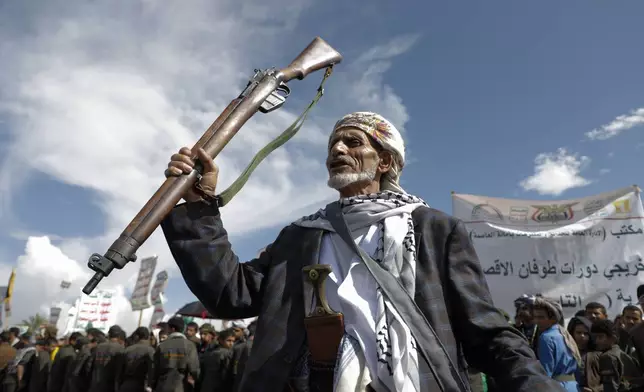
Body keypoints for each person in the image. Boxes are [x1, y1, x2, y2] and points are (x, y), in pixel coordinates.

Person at [161, 111, 562, 391]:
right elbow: (233, 293)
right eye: (334, 142)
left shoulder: (434, 229)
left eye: (353, 142)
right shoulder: (300, 237)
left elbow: (485, 331)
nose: (337, 150)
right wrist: (199, 208)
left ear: (385, 160)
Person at [532, 297, 581, 392]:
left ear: (553, 318)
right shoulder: (564, 334)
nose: (536, 321)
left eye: (541, 317)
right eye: (535, 317)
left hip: (557, 387)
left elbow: (546, 372)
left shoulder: (546, 337)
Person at [151, 316, 200, 392]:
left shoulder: (162, 346)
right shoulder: (190, 346)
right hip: (181, 387)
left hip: (162, 387)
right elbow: (195, 371)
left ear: (172, 329)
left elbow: (154, 370)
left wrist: (153, 386)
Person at [117, 327, 155, 392]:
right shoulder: (152, 351)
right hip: (143, 386)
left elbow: (120, 372)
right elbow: (153, 371)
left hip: (126, 385)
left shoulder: (127, 350)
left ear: (136, 336)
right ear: (148, 337)